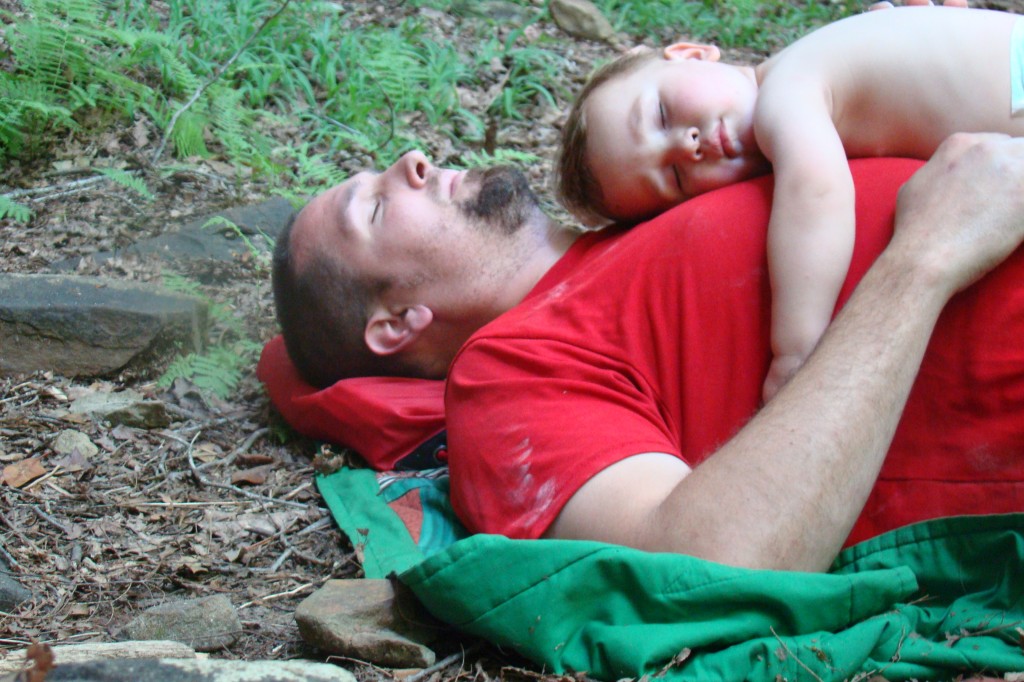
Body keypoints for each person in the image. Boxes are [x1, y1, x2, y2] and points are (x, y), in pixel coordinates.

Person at [273, 133, 1024, 572]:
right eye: (377, 207)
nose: (412, 159)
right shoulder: (507, 376)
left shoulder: (638, 204)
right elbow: (713, 561)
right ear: (395, 324)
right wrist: (925, 259)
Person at [556, 6, 1024, 401]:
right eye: (676, 177)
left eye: (661, 115)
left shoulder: (786, 90)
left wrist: (795, 353)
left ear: (691, 54)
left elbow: (815, 192)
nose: (687, 145)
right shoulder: (814, 64)